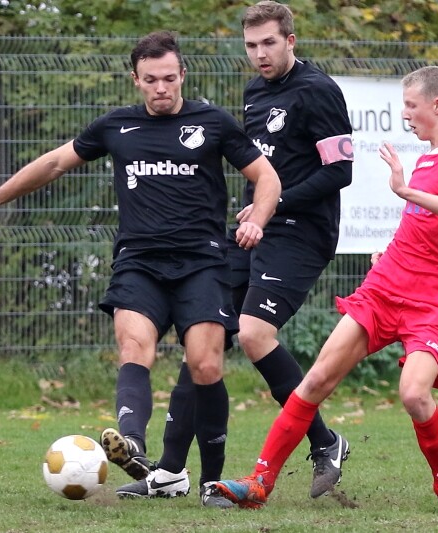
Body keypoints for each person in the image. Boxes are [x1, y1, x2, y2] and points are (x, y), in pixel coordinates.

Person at [0, 31, 281, 506]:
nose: (161, 88)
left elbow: (267, 176)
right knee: (133, 346)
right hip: (139, 262)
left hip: (202, 261)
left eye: (169, 78)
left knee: (205, 364)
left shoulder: (212, 122)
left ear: (182, 75)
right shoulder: (116, 126)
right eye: (151, 80)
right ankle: (133, 444)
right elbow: (54, 163)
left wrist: (258, 219)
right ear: (135, 80)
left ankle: (213, 481)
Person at [213, 65, 438, 516]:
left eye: (411, 106)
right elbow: (423, 227)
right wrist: (390, 252)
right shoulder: (426, 159)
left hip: (436, 302)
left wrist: (405, 191)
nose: (405, 115)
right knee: (317, 379)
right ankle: (259, 482)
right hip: (386, 288)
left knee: (414, 394)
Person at [116, 0, 353, 502]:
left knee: (253, 332)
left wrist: (274, 205)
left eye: (269, 43)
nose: (260, 54)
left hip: (301, 232)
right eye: (251, 45)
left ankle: (325, 441)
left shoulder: (319, 90)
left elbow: (340, 172)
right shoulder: (254, 91)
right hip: (253, 230)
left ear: (290, 40)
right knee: (204, 343)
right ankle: (171, 472)